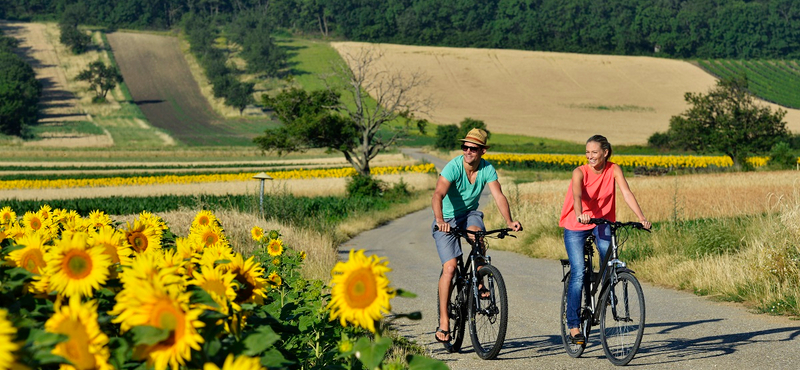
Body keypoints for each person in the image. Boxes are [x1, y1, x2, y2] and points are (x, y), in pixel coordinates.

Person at [431, 128, 523, 344]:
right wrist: (439, 220)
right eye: (465, 147)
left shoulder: (487, 169)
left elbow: (498, 195)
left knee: (478, 237)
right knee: (450, 267)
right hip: (447, 218)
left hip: (469, 214)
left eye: (473, 148)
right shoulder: (453, 166)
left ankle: (479, 279)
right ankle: (444, 321)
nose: (468, 151)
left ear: (482, 151)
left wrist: (509, 221)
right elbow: (438, 194)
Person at [559, 134, 651, 345]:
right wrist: (581, 212)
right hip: (577, 224)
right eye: (587, 152)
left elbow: (626, 193)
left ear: (605, 152)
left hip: (602, 222)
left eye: (594, 152)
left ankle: (606, 291)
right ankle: (573, 325)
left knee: (609, 259)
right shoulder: (579, 172)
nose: (589, 156)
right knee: (579, 272)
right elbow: (576, 194)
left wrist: (641, 218)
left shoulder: (614, 169)